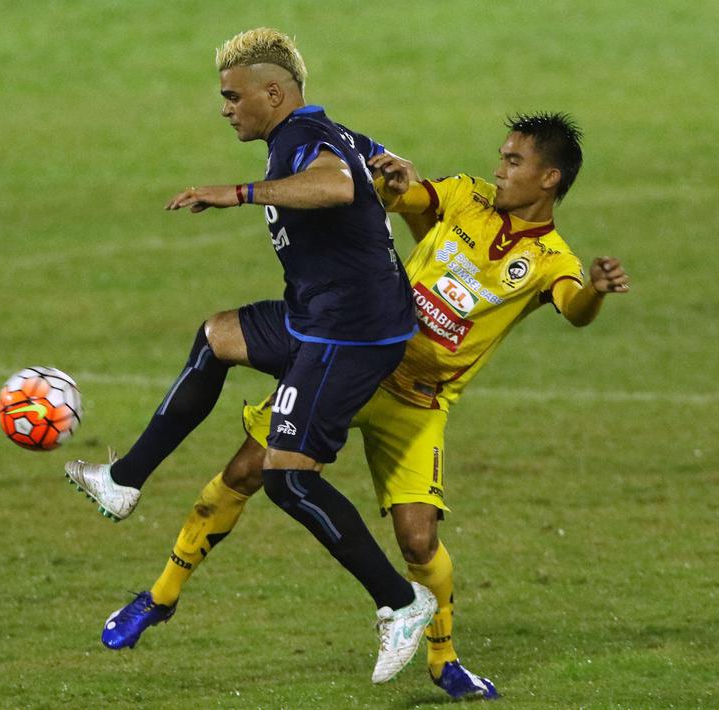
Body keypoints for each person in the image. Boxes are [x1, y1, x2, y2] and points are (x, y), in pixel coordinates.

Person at [99, 113, 631, 702]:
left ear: (549, 178)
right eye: (501, 158)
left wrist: (596, 294)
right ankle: (160, 596)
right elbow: (402, 197)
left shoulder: (553, 259)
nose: (498, 170)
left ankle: (444, 660)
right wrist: (394, 180)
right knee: (249, 469)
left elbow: (574, 308)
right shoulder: (465, 195)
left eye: (513, 162)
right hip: (358, 357)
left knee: (419, 541)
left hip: (420, 404)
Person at [64, 28, 437, 683]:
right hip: (314, 313)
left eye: (233, 96)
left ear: (274, 93)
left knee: (287, 478)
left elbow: (334, 186)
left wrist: (235, 193)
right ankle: (124, 480)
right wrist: (398, 173)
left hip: (347, 335)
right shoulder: (329, 130)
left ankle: (401, 602)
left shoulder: (301, 141)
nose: (225, 107)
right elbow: (386, 166)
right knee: (217, 337)